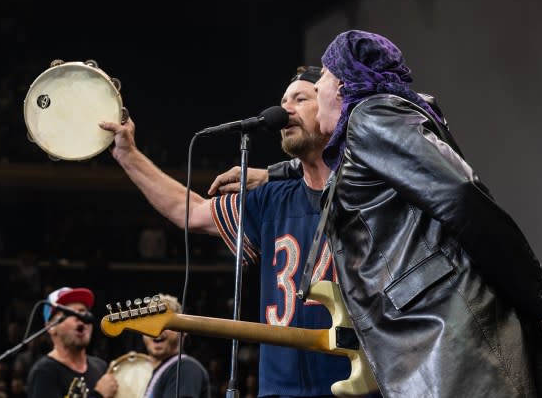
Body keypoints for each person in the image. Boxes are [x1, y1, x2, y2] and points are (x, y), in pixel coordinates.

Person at [301, 29, 542, 397]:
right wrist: (272, 173)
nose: (318, 88)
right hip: (435, 334)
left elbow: (461, 195)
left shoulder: (371, 117)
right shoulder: (372, 127)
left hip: (445, 331)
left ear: (342, 85)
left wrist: (536, 291)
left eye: (322, 76)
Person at [99, 66, 353, 397]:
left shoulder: (365, 193)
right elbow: (188, 211)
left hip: (356, 384)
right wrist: (127, 154)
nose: (285, 109)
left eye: (301, 98)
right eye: (283, 100)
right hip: (279, 390)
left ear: (335, 108)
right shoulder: (271, 201)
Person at [26, 286, 118, 398]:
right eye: (70, 313)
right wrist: (99, 395)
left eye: (82, 312)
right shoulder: (44, 372)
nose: (80, 317)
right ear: (51, 327)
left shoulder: (100, 367)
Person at [142, 293, 210, 398]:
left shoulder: (186, 368)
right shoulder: (162, 370)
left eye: (166, 325)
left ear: (183, 331)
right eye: (152, 325)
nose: (157, 332)